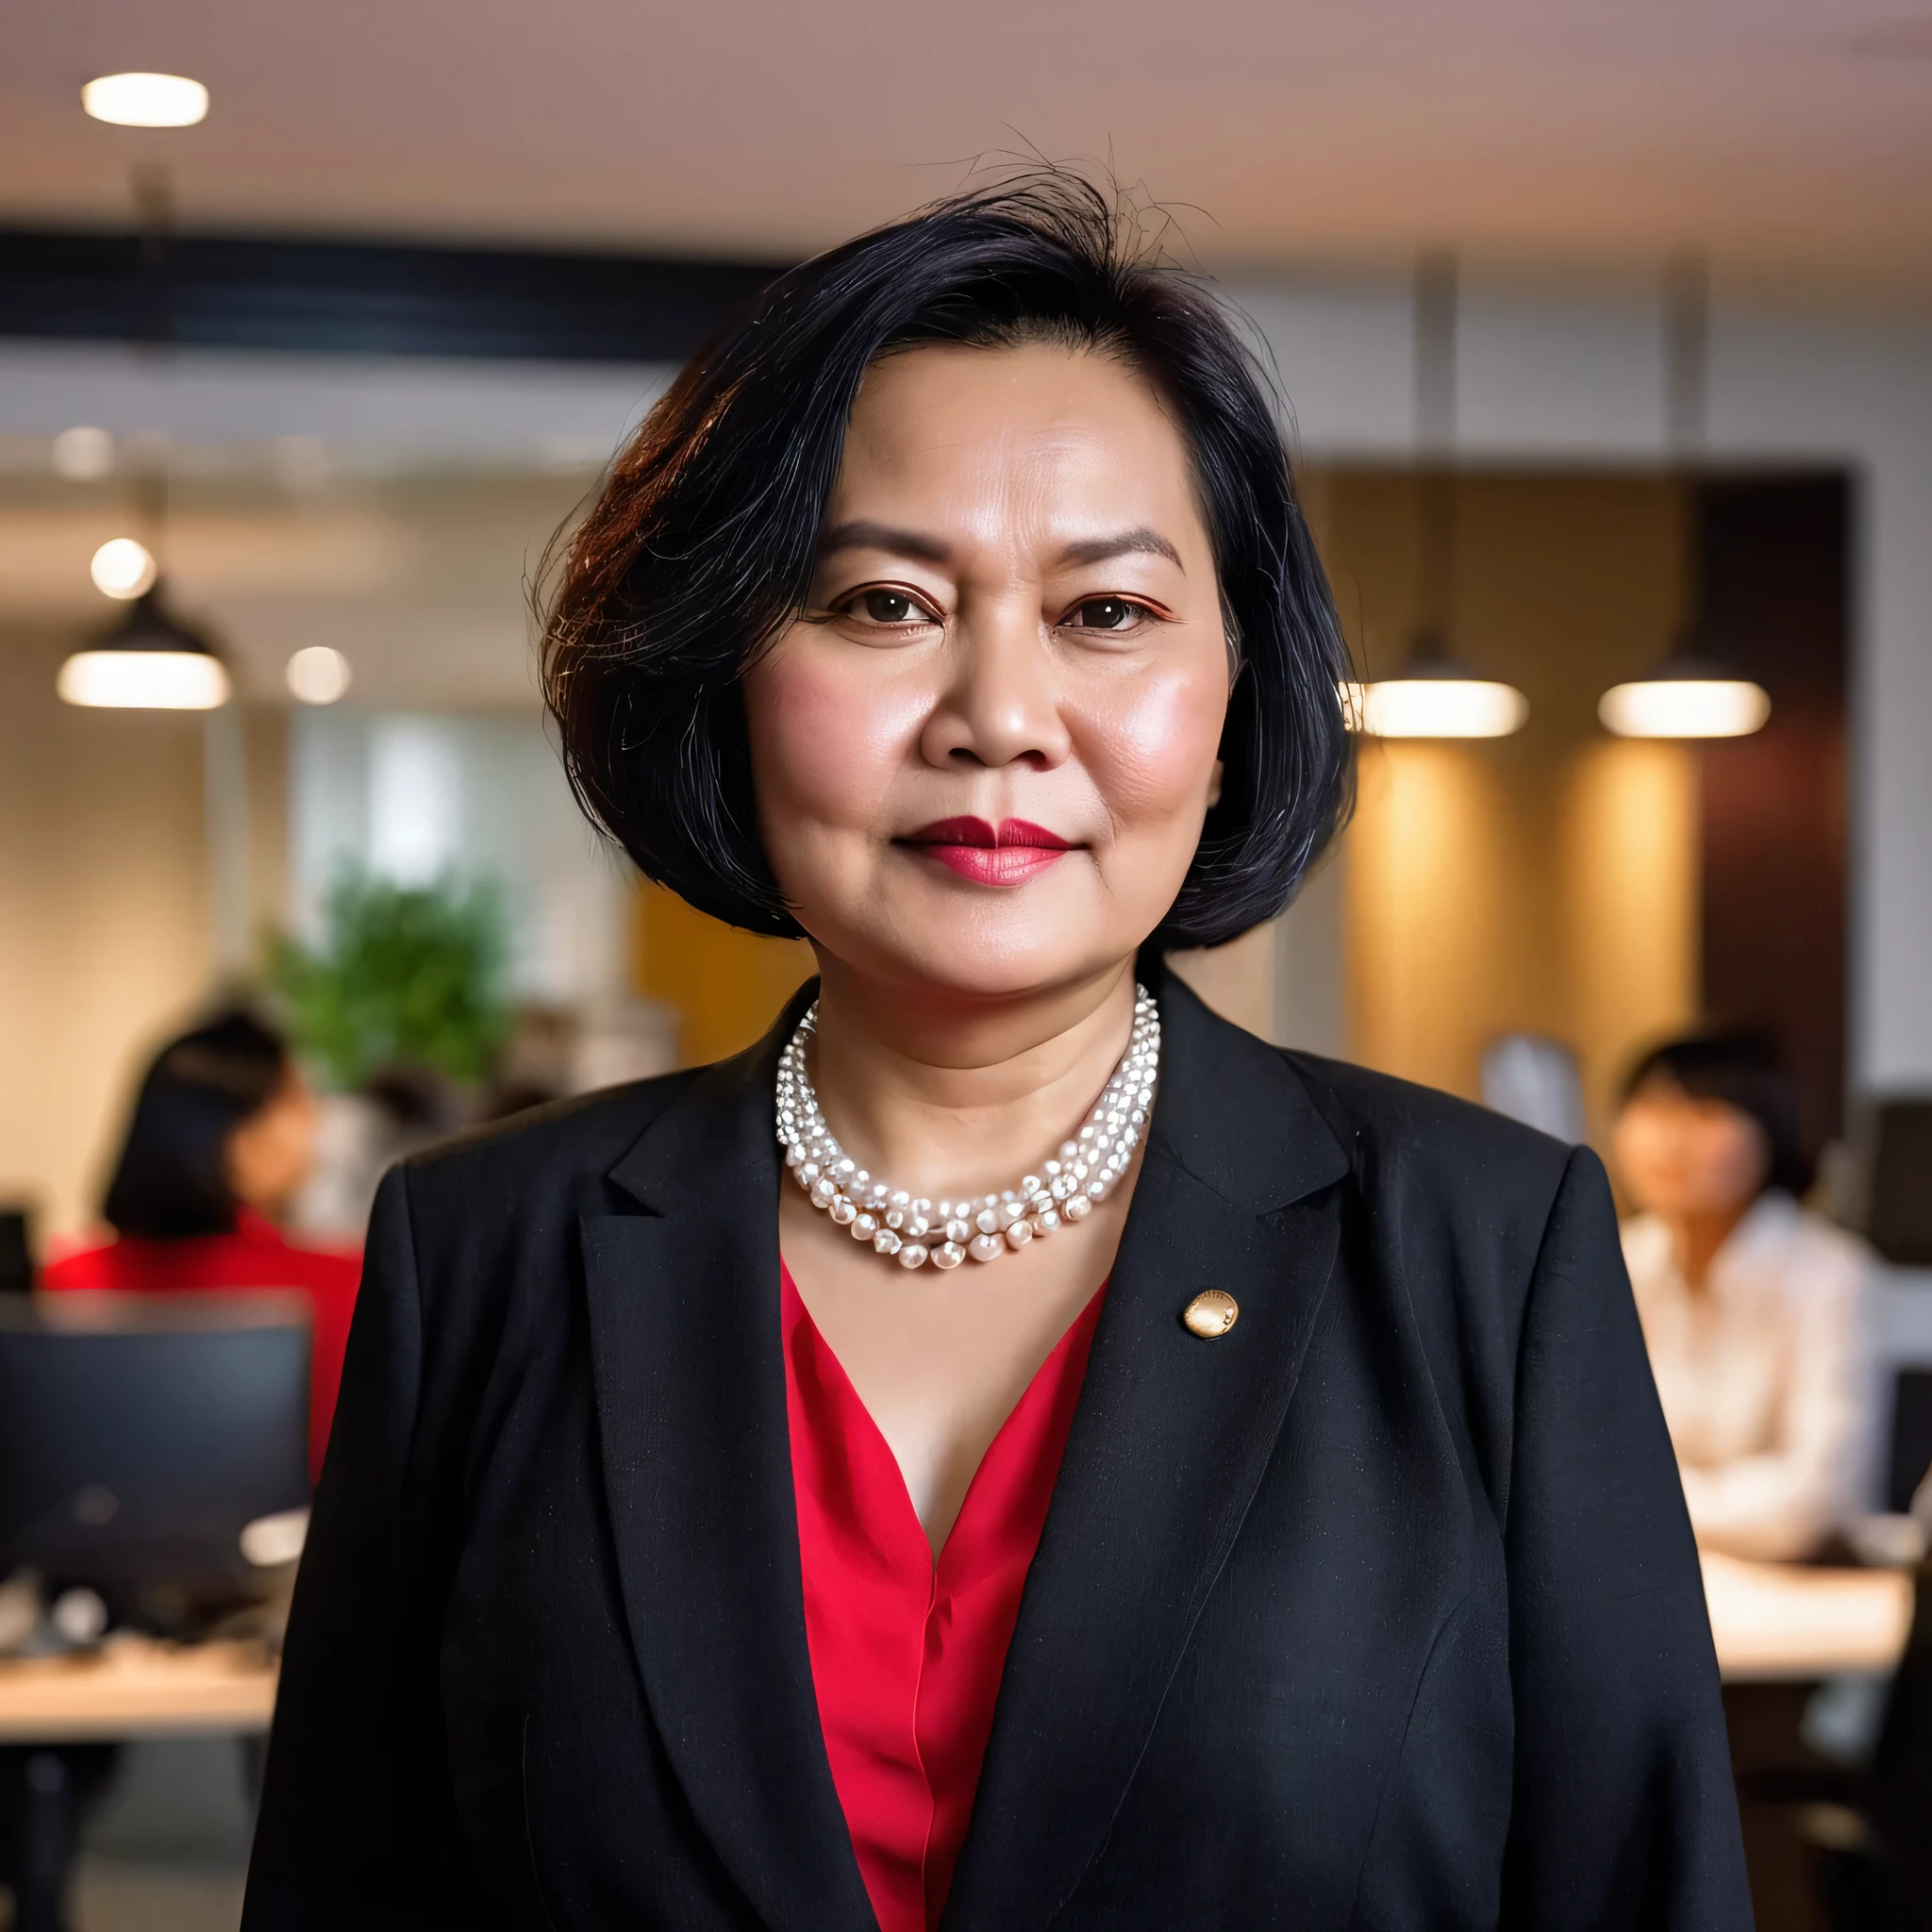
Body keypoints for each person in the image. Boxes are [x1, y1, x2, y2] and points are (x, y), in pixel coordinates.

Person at [244, 177, 1749, 1930]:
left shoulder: (1484, 1251)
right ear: (727, 659)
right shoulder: (485, 1254)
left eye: (1105, 612)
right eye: (883, 604)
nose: (1000, 716)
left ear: (1232, 687)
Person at [42, 1008, 360, 1482]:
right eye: (294, 1099)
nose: (313, 1121)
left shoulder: (68, 1277)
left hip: (93, 1550)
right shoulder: (341, 1283)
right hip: (291, 1551)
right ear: (237, 1138)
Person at [1613, 1027, 1871, 1562]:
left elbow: (1814, 1496)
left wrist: (1638, 1501)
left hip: (1785, 1584)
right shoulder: (1614, 1262)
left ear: (1769, 1134)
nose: (1671, 1140)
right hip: (1638, 1567)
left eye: (1705, 1113)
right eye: (1653, 1110)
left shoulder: (1828, 1275)